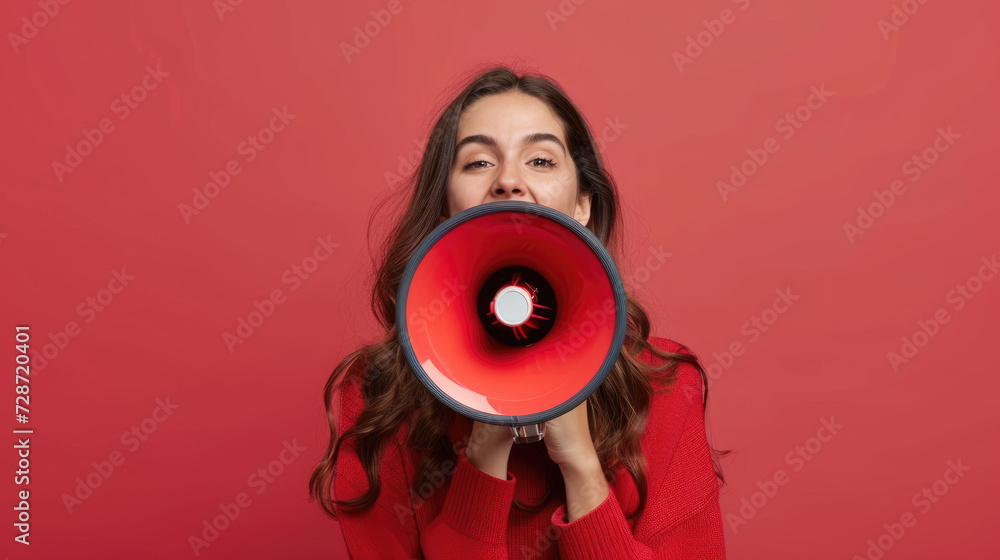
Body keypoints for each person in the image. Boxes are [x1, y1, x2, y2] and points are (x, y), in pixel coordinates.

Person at [309, 64, 730, 559]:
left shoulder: (662, 385)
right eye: (478, 163)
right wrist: (484, 451)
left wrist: (581, 467)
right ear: (446, 209)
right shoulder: (375, 396)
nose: (509, 181)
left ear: (583, 205)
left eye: (541, 161)